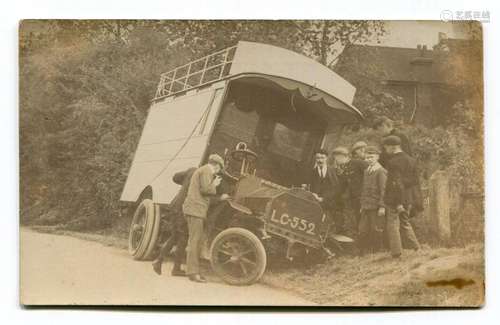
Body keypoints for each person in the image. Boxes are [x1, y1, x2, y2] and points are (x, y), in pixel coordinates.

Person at [182, 154, 225, 283]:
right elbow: (206, 190)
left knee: (194, 241)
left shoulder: (202, 170)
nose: (218, 172)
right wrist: (215, 184)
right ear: (217, 166)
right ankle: (193, 273)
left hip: (194, 209)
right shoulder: (207, 170)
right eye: (219, 169)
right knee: (195, 242)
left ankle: (193, 271)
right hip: (196, 210)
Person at [152, 167, 196, 277]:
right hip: (182, 208)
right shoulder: (203, 175)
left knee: (175, 236)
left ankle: (160, 261)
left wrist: (184, 184)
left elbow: (175, 177)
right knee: (182, 238)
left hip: (175, 205)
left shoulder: (192, 170)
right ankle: (172, 267)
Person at [382, 135, 420, 258]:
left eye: (386, 147)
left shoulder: (392, 162)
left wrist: (398, 203)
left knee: (392, 224)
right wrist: (405, 191)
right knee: (405, 222)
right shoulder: (411, 160)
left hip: (395, 199)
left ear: (392, 147)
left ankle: (396, 253)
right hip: (408, 197)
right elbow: (415, 181)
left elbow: (396, 184)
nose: (385, 150)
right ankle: (416, 247)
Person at [332, 146, 369, 235]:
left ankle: (366, 239)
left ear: (342, 156)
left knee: (364, 218)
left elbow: (371, 174)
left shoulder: (358, 163)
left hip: (364, 195)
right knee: (358, 217)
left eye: (336, 158)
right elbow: (342, 186)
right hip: (355, 197)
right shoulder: (344, 168)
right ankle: (359, 236)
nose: (336, 161)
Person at [358, 146, 387, 255]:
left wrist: (382, 206)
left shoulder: (381, 171)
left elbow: (383, 190)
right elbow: (364, 189)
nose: (369, 159)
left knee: (376, 229)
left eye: (372, 157)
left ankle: (377, 251)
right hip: (366, 205)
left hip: (376, 206)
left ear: (377, 157)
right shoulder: (367, 171)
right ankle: (362, 251)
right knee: (362, 229)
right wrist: (362, 205)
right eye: (367, 157)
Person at [308, 148, 340, 225]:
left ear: (326, 158)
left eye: (322, 158)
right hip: (314, 201)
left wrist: (324, 198)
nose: (320, 160)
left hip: (327, 202)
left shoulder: (332, 171)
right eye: (318, 158)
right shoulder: (313, 171)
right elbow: (310, 186)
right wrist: (313, 195)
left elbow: (335, 189)